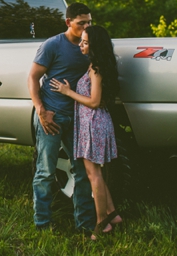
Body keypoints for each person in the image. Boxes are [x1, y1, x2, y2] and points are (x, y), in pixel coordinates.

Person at [50, 25, 123, 240]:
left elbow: (94, 101)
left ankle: (102, 224)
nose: (80, 45)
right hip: (93, 122)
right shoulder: (95, 65)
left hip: (94, 122)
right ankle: (113, 215)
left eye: (85, 42)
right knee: (95, 173)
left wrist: (68, 91)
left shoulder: (96, 68)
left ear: (95, 45)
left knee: (95, 175)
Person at [28, 2, 96, 232]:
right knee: (46, 171)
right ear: (68, 22)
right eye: (81, 23)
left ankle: (85, 226)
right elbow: (32, 77)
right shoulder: (53, 45)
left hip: (78, 118)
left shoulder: (89, 46)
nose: (86, 26)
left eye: (89, 22)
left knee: (82, 172)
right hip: (52, 117)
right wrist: (41, 110)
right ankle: (42, 223)